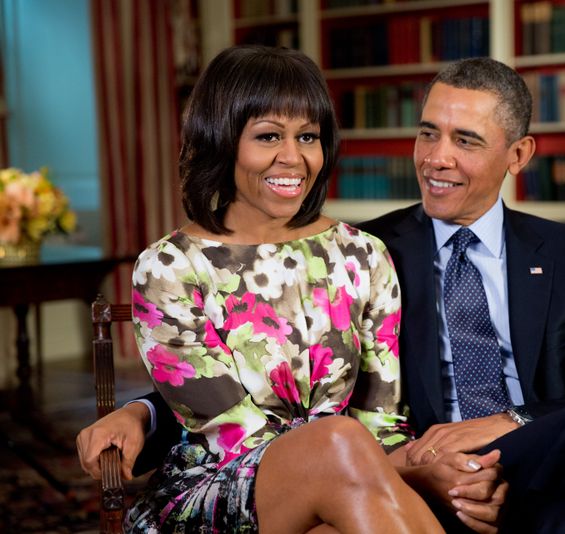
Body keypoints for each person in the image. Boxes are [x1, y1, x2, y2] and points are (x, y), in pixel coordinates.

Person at [79, 55, 565, 533]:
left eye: (466, 141)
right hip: (373, 472)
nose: (438, 159)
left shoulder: (562, 256)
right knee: (344, 444)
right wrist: (144, 411)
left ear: (518, 155)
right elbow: (239, 385)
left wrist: (498, 427)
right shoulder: (377, 245)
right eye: (429, 134)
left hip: (497, 458)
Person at [85, 44, 508, 533]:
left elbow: (382, 423)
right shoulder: (168, 267)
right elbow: (233, 436)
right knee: (337, 443)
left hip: (352, 479)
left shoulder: (362, 254)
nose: (293, 158)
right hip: (220, 488)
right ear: (223, 140)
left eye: (307, 136)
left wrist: (429, 469)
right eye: (268, 136)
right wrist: (383, 466)